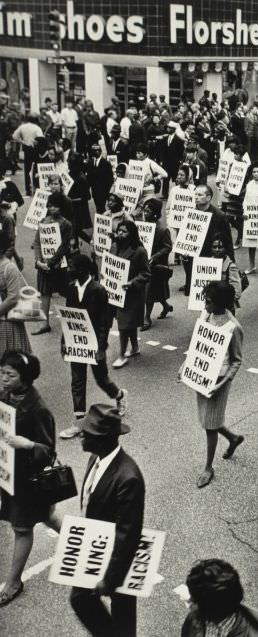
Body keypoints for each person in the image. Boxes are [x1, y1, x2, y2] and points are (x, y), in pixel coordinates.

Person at [70, 404, 145, 637]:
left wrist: (110, 580)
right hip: (95, 547)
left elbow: (127, 536)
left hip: (117, 559)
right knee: (81, 600)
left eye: (87, 433)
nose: (81, 435)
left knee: (122, 612)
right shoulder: (96, 457)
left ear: (102, 440)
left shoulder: (128, 477)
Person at [0, 350, 62, 606]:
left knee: (22, 528)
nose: (3, 378)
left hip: (28, 481)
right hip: (9, 473)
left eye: (9, 374)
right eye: (1, 372)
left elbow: (48, 452)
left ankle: (13, 582)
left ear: (24, 378)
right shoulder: (5, 395)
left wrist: (26, 445)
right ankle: (84, 541)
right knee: (47, 515)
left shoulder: (38, 409)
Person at [182, 281, 244, 488]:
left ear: (220, 303)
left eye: (208, 301)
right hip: (202, 374)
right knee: (208, 419)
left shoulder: (233, 327)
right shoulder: (205, 315)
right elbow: (197, 343)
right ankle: (233, 438)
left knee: (209, 424)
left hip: (218, 381)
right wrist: (186, 364)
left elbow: (236, 360)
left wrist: (222, 384)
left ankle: (208, 467)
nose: (204, 303)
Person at [59, 254, 129, 440]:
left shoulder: (98, 290)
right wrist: (65, 342)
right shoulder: (71, 289)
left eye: (71, 266)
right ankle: (79, 422)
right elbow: (69, 318)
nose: (68, 268)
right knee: (77, 381)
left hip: (94, 343)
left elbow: (104, 323)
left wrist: (100, 347)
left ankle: (119, 395)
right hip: (77, 343)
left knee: (101, 379)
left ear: (82, 269)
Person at [181, 559, 258, 637]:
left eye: (196, 600)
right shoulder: (195, 617)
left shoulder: (252, 633)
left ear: (214, 608)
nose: (190, 601)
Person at [110, 220, 151, 368]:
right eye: (119, 230)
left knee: (124, 324)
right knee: (128, 323)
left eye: (124, 231)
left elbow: (146, 273)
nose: (120, 233)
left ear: (131, 234)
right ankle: (134, 347)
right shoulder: (114, 247)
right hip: (117, 292)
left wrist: (132, 282)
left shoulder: (139, 251)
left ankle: (122, 355)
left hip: (132, 294)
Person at [32, 192, 73, 335]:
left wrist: (50, 262)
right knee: (44, 293)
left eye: (55, 206)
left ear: (61, 207)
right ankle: (45, 323)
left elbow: (63, 247)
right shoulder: (43, 221)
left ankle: (73, 320)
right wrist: (38, 260)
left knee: (68, 292)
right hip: (43, 264)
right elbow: (37, 242)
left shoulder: (66, 224)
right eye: (50, 206)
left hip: (58, 265)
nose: (52, 209)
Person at [141, 198, 173, 330]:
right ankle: (166, 306)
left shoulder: (162, 230)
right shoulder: (142, 227)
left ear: (155, 213)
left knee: (149, 292)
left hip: (155, 265)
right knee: (155, 290)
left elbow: (167, 247)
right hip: (143, 262)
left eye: (148, 211)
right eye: (144, 210)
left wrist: (155, 257)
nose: (145, 213)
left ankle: (146, 318)